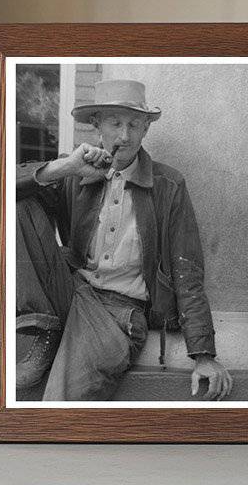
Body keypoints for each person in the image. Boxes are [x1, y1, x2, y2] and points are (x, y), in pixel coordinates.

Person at [15, 78, 232, 402]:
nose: (125, 135)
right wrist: (66, 167)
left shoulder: (168, 185)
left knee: (60, 406)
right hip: (69, 289)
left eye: (134, 124)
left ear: (145, 129)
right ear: (96, 124)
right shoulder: (75, 173)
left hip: (117, 313)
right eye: (115, 123)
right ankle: (40, 330)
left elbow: (187, 270)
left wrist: (203, 354)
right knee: (20, 202)